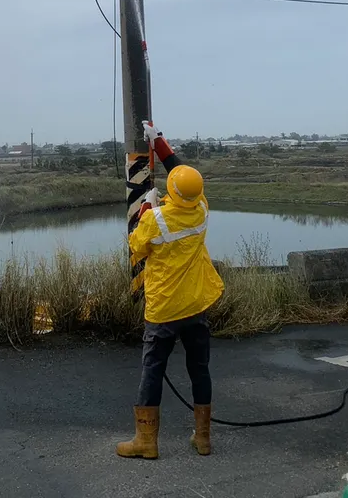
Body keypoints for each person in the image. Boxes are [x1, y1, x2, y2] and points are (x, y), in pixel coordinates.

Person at [116, 125, 225, 461]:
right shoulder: (202, 209)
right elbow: (180, 172)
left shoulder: (157, 220)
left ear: (171, 194)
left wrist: (146, 208)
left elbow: (136, 247)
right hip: (196, 304)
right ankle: (203, 438)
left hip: (163, 310)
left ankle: (146, 442)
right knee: (199, 369)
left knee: (153, 369)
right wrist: (158, 141)